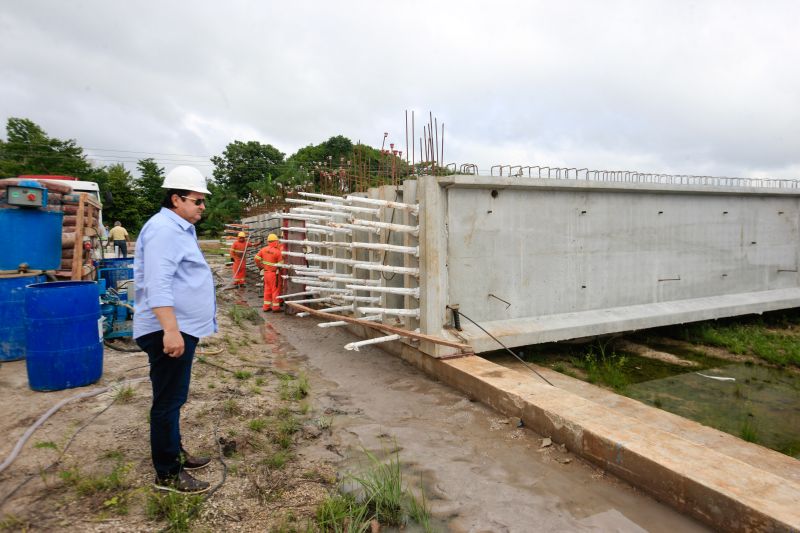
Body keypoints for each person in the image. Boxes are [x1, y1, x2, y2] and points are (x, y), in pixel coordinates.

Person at [133, 165, 217, 494]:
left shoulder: (180, 228)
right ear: (175, 199)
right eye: (197, 200)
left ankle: (175, 453)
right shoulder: (164, 230)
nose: (202, 207)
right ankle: (167, 473)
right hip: (168, 330)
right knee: (168, 401)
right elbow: (158, 284)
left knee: (173, 398)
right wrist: (170, 330)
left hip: (179, 328)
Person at [254, 233, 282, 312]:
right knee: (275, 290)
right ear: (275, 242)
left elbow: (256, 259)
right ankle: (276, 307)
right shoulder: (277, 252)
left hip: (266, 273)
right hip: (274, 274)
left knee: (267, 290)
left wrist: (260, 267)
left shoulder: (263, 249)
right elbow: (281, 265)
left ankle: (266, 307)